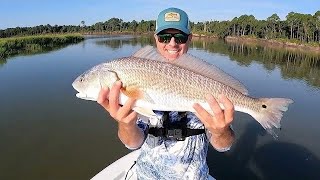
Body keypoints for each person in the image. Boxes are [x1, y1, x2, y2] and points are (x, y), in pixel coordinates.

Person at [97, 7, 235, 180]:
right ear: (156, 39)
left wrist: (221, 131)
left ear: (190, 39)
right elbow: (133, 144)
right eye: (164, 37)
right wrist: (126, 124)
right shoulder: (136, 75)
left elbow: (224, 146)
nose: (172, 43)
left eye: (179, 37)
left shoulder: (205, 82)